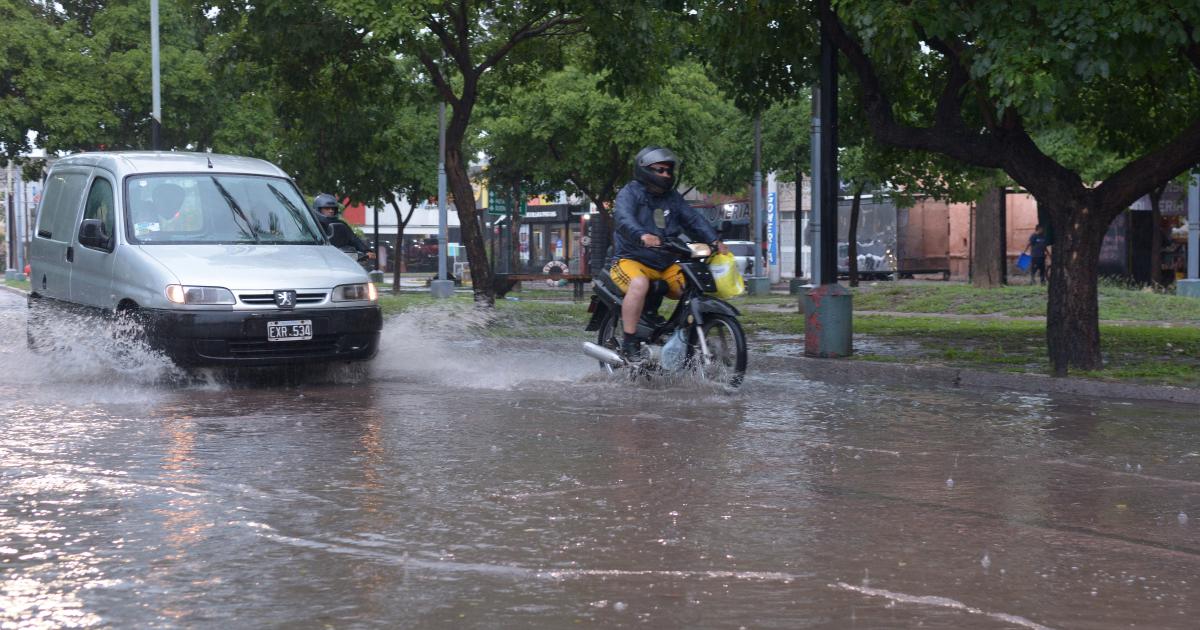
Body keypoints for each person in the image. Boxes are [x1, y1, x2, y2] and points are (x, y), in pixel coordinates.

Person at [610, 146, 728, 359]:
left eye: (668, 171)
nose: (665, 175)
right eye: (659, 170)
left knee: (693, 284)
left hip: (665, 262)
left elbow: (692, 219)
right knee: (639, 284)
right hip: (631, 259)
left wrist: (713, 240)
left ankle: (682, 335)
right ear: (644, 170)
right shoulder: (630, 192)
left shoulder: (672, 198)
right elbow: (623, 217)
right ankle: (629, 342)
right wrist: (641, 235)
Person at [313, 193, 375, 260]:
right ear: (318, 209)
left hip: (339, 257)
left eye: (333, 208)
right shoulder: (311, 225)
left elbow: (353, 239)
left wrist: (366, 251)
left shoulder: (341, 225)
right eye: (327, 208)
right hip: (316, 257)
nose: (331, 211)